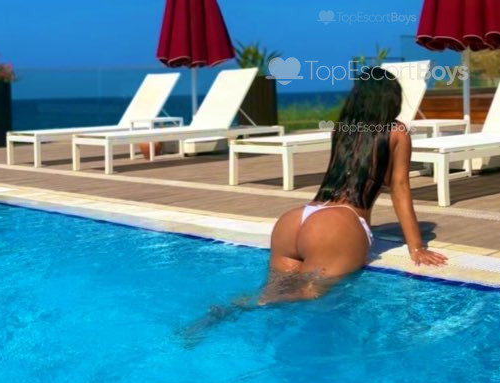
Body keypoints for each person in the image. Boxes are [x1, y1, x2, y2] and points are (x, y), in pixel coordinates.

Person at [183, 67, 446, 335]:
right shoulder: (397, 131)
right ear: (392, 98)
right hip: (335, 226)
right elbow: (400, 187)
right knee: (309, 295)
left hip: (296, 219)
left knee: (271, 293)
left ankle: (225, 311)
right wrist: (416, 247)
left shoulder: (341, 129)